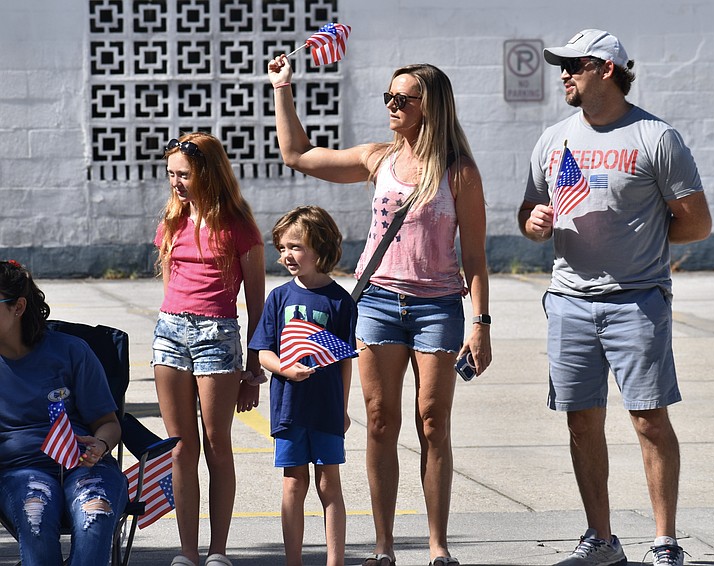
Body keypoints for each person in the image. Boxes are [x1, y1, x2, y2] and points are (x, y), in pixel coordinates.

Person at [267, 56, 492, 566]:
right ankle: (384, 546)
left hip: (438, 305)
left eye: (402, 99)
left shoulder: (460, 172)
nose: (391, 105)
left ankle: (438, 545)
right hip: (377, 303)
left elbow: (475, 258)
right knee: (379, 420)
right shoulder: (378, 159)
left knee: (433, 422)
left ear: (428, 105)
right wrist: (283, 88)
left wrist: (480, 323)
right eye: (388, 97)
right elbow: (297, 154)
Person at [518, 29, 712, 566]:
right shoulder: (554, 138)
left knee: (649, 419)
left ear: (606, 68)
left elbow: (696, 224)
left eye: (573, 65)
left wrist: (641, 236)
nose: (563, 74)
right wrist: (533, 224)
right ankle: (601, 541)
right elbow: (531, 211)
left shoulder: (656, 137)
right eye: (562, 66)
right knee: (581, 420)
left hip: (638, 301)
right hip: (569, 301)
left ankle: (665, 542)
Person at [153, 132, 266, 566]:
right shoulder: (171, 221)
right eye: (170, 174)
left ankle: (218, 550)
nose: (175, 182)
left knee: (217, 443)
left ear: (207, 173)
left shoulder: (240, 227)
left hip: (218, 336)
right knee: (180, 447)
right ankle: (188, 551)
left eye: (182, 174)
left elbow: (257, 306)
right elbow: (170, 288)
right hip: (170, 334)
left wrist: (252, 371)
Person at [0, 259, 129, 566]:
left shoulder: (71, 351)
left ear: (17, 308)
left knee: (94, 514)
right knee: (36, 515)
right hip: (19, 471)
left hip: (86, 465)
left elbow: (108, 424)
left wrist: (101, 445)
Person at [248, 206, 356, 566]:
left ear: (320, 246)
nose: (287, 256)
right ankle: (292, 559)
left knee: (329, 483)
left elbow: (344, 362)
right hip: (289, 408)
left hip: (325, 408)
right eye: (282, 248)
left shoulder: (340, 300)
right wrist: (285, 369)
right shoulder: (279, 297)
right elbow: (263, 351)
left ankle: (335, 560)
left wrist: (342, 409)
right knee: (293, 483)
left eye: (295, 247)